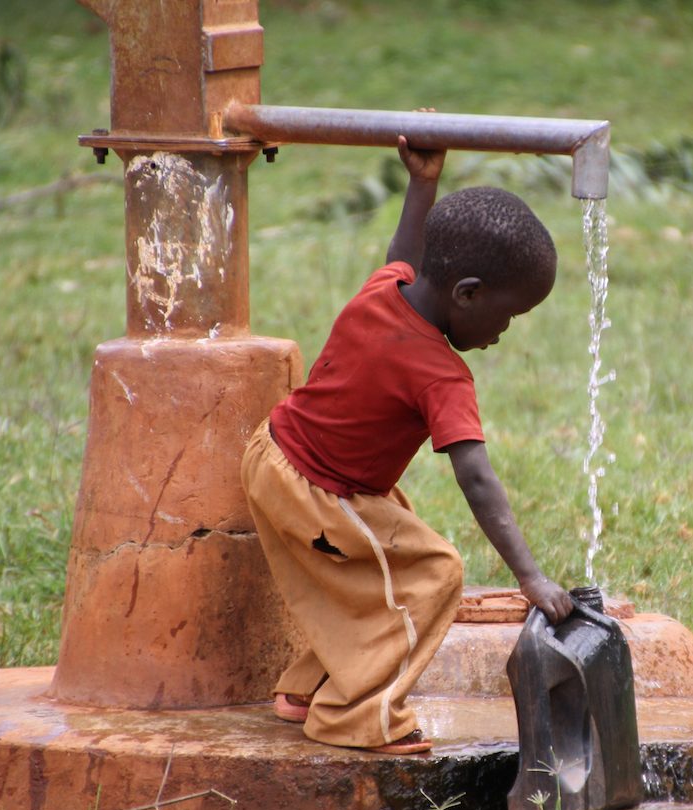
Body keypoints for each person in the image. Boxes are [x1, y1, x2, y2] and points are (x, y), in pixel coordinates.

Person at [241, 134, 575, 755]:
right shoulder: (442, 374)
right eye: (508, 316)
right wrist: (530, 578)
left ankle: (309, 688)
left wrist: (422, 181)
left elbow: (405, 252)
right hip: (316, 490)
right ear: (467, 294)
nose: (504, 332)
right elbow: (476, 477)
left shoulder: (387, 286)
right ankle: (354, 717)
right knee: (434, 574)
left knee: (385, 563)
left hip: (280, 454)